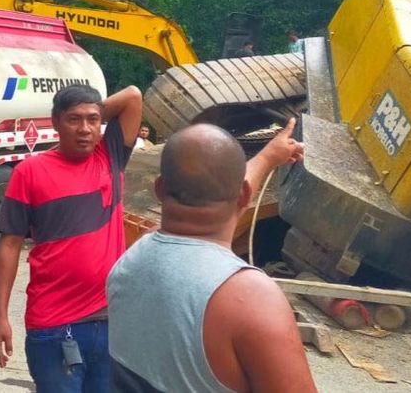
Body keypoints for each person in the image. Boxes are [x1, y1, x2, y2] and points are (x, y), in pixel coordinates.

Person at [107, 119, 315, 393]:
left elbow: (222, 196)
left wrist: (268, 157)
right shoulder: (250, 297)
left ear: (159, 189)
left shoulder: (134, 256)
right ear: (244, 195)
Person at [0, 84, 142, 392]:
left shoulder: (109, 156)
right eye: (73, 119)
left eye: (92, 119)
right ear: (55, 122)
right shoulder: (29, 172)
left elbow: (133, 96)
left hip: (110, 321)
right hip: (54, 326)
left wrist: (93, 110)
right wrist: (0, 316)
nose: (84, 129)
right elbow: (9, 245)